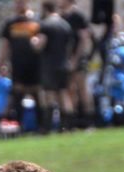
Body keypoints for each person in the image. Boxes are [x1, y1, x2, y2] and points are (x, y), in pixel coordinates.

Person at [0, 0, 44, 129]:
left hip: (35, 64)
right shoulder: (10, 23)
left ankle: (41, 126)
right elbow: (5, 45)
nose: (19, 5)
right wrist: (2, 62)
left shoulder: (37, 21)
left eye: (21, 2)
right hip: (17, 64)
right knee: (17, 94)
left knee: (37, 94)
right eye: (17, 3)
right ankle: (18, 125)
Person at [37, 1, 75, 132]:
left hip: (50, 65)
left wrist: (33, 42)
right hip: (64, 63)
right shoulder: (65, 25)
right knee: (64, 94)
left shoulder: (45, 24)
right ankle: (67, 126)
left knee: (49, 95)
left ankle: (47, 127)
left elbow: (40, 44)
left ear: (45, 9)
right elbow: (69, 46)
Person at [59, 0, 94, 127]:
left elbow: (83, 39)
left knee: (82, 88)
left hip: (78, 59)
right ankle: (72, 122)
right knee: (70, 90)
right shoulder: (61, 17)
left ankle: (89, 121)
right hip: (65, 60)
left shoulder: (78, 16)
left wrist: (75, 59)